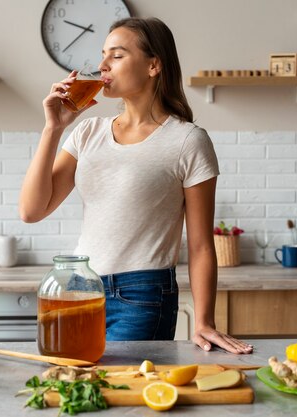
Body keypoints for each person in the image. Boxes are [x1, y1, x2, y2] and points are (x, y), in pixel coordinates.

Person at [19, 17, 253, 354]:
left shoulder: (187, 140)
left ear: (153, 65)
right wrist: (52, 129)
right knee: (77, 386)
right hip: (81, 289)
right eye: (102, 55)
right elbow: (31, 210)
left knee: (123, 394)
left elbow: (201, 245)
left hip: (142, 296)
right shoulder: (88, 132)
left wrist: (204, 321)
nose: (101, 66)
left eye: (116, 55)